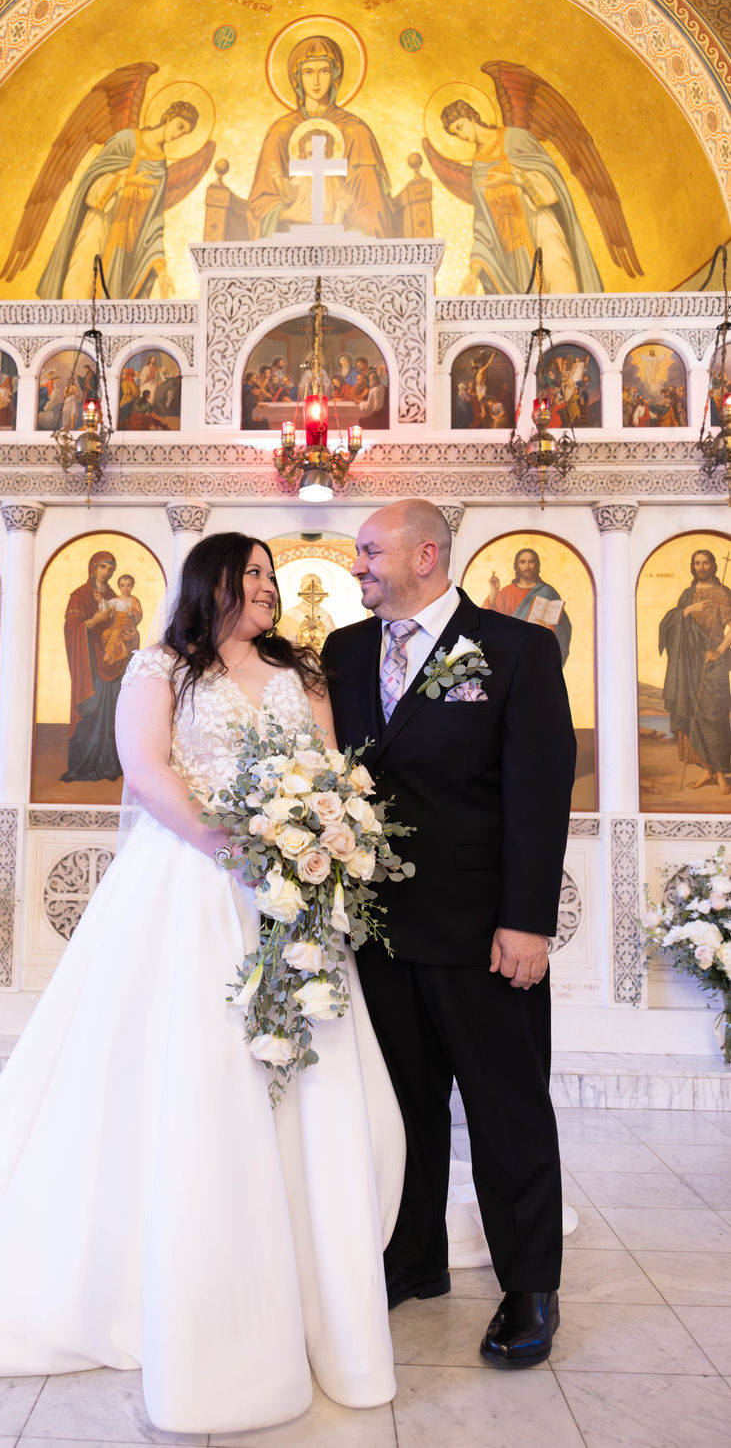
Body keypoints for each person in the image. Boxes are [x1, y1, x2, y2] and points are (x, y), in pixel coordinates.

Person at [0, 533, 403, 1434]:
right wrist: (226, 847)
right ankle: (181, 1269)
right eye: (250, 573)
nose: (265, 586)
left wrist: (310, 840)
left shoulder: (305, 673)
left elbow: (327, 769)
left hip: (289, 893)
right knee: (197, 1076)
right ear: (210, 582)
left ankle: (309, 1279)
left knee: (314, 1084)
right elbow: (147, 769)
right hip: (194, 889)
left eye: (269, 575)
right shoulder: (160, 665)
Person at [323, 499, 575, 1370]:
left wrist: (527, 921)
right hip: (377, 930)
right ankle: (412, 1259)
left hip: (482, 932)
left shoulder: (514, 650)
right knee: (401, 1104)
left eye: (367, 552)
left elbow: (539, 796)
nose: (354, 566)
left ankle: (528, 1285)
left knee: (505, 1109)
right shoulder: (345, 650)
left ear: (425, 553)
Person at [38, 101, 200, 301]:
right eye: (180, 126)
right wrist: (126, 181)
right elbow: (90, 183)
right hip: (99, 223)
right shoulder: (127, 140)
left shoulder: (160, 166)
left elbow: (153, 220)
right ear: (169, 117)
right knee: (78, 288)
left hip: (123, 244)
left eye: (184, 133)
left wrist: (161, 271)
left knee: (108, 305)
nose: (178, 134)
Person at [440, 99, 602, 295]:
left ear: (471, 116)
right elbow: (484, 223)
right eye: (456, 133)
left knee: (561, 282)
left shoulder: (516, 138)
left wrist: (511, 177)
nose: (462, 135)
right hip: (515, 252)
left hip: (541, 225)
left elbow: (552, 181)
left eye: (460, 126)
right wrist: (473, 273)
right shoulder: (478, 170)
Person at [248, 35, 394, 238]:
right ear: (297, 76)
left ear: (335, 74)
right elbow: (261, 202)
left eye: (324, 71)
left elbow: (370, 202)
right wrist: (286, 214)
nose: (316, 81)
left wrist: (353, 243)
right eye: (308, 72)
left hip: (348, 246)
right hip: (291, 245)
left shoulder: (356, 131)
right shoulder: (280, 132)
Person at [659, 548, 731, 795]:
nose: (701, 567)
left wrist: (719, 651)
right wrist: (688, 610)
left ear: (713, 565)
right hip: (689, 664)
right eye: (697, 563)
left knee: (716, 717)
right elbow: (672, 623)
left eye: (706, 562)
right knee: (694, 717)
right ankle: (707, 771)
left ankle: (721, 773)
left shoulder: (724, 594)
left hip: (714, 663)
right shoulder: (687, 595)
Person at [60, 550, 127, 782]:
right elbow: (71, 628)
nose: (107, 572)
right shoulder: (80, 595)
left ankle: (108, 764)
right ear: (93, 568)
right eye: (103, 567)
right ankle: (83, 765)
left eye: (110, 568)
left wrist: (128, 633)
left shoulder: (113, 596)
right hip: (89, 662)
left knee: (110, 712)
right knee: (91, 708)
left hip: (112, 662)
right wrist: (94, 622)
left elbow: (124, 622)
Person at [483, 546, 572, 667]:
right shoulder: (506, 593)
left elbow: (565, 628)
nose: (527, 566)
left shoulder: (548, 592)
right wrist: (494, 592)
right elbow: (488, 622)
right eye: (523, 562)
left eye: (531, 562)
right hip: (511, 655)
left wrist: (549, 628)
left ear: (537, 565)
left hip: (539, 654)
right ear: (516, 565)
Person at [102, 573, 143, 668]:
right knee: (105, 634)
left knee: (116, 633)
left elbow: (139, 614)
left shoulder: (134, 601)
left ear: (132, 586)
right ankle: (117, 653)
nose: (126, 588)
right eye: (123, 585)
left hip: (128, 626)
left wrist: (132, 614)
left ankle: (110, 654)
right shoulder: (116, 599)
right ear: (119, 587)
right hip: (116, 624)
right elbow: (109, 610)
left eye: (128, 585)